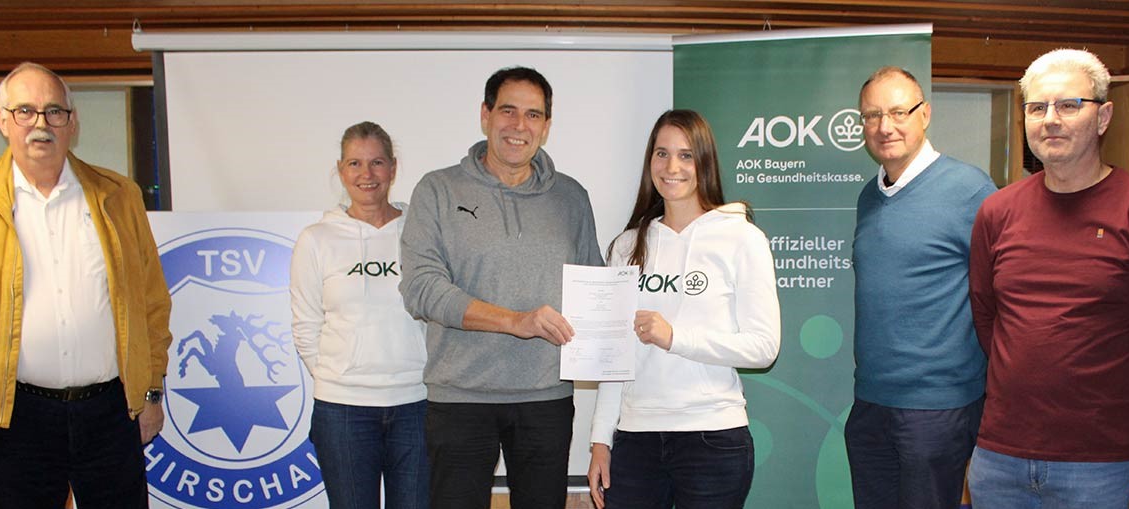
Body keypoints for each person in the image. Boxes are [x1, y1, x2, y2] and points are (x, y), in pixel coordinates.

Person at [398, 66, 603, 509]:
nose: (519, 125)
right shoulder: (437, 189)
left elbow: (593, 286)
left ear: (546, 126)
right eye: (508, 110)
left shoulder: (571, 197)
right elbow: (421, 288)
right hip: (460, 397)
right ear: (485, 115)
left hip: (546, 399)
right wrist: (515, 321)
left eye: (533, 115)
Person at [0, 62, 172, 508]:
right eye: (25, 111)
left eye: (54, 111)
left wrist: (150, 392)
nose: (40, 124)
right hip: (11, 419)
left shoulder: (118, 196)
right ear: (2, 119)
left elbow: (152, 303)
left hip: (111, 413)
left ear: (72, 122)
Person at [968, 48, 1129, 508]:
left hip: (1098, 462)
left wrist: (1121, 399)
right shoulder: (997, 211)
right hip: (999, 454)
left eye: (1069, 105)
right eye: (1037, 107)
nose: (1050, 119)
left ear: (1103, 116)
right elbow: (987, 317)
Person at [586, 109, 782, 509]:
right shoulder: (627, 246)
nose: (671, 167)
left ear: (704, 162)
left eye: (686, 155)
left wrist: (675, 337)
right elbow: (614, 356)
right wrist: (601, 440)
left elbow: (764, 348)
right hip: (636, 438)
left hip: (712, 438)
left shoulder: (742, 238)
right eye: (662, 153)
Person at [845, 66, 995, 509]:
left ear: (925, 114)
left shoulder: (971, 190)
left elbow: (1001, 293)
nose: (885, 126)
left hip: (937, 408)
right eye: (872, 115)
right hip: (870, 402)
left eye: (898, 112)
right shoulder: (869, 196)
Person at [290, 121, 429, 509]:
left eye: (377, 162)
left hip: (416, 404)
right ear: (340, 170)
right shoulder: (316, 239)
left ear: (393, 168)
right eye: (355, 163)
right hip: (343, 412)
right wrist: (340, 378)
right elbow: (305, 326)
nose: (366, 174)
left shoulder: (421, 232)